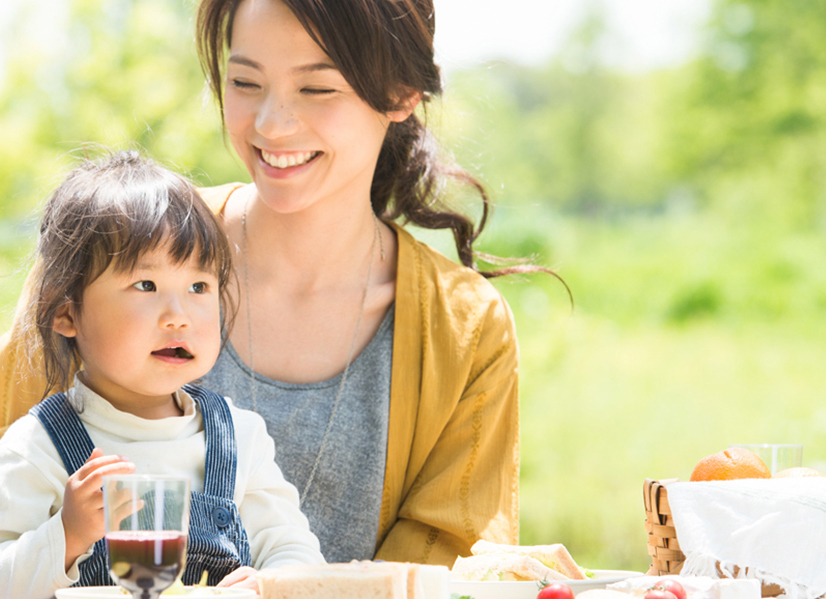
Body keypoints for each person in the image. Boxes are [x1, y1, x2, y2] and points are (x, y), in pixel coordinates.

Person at [0, 0, 555, 566]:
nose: (270, 124)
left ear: (400, 92)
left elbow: (450, 565)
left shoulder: (466, 329)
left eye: (317, 88)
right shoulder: (103, 251)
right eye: (245, 81)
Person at [0, 151, 324, 599]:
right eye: (146, 285)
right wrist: (67, 535)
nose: (179, 315)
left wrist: (273, 582)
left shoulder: (239, 438)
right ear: (66, 312)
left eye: (198, 287)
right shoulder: (38, 447)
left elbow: (294, 548)